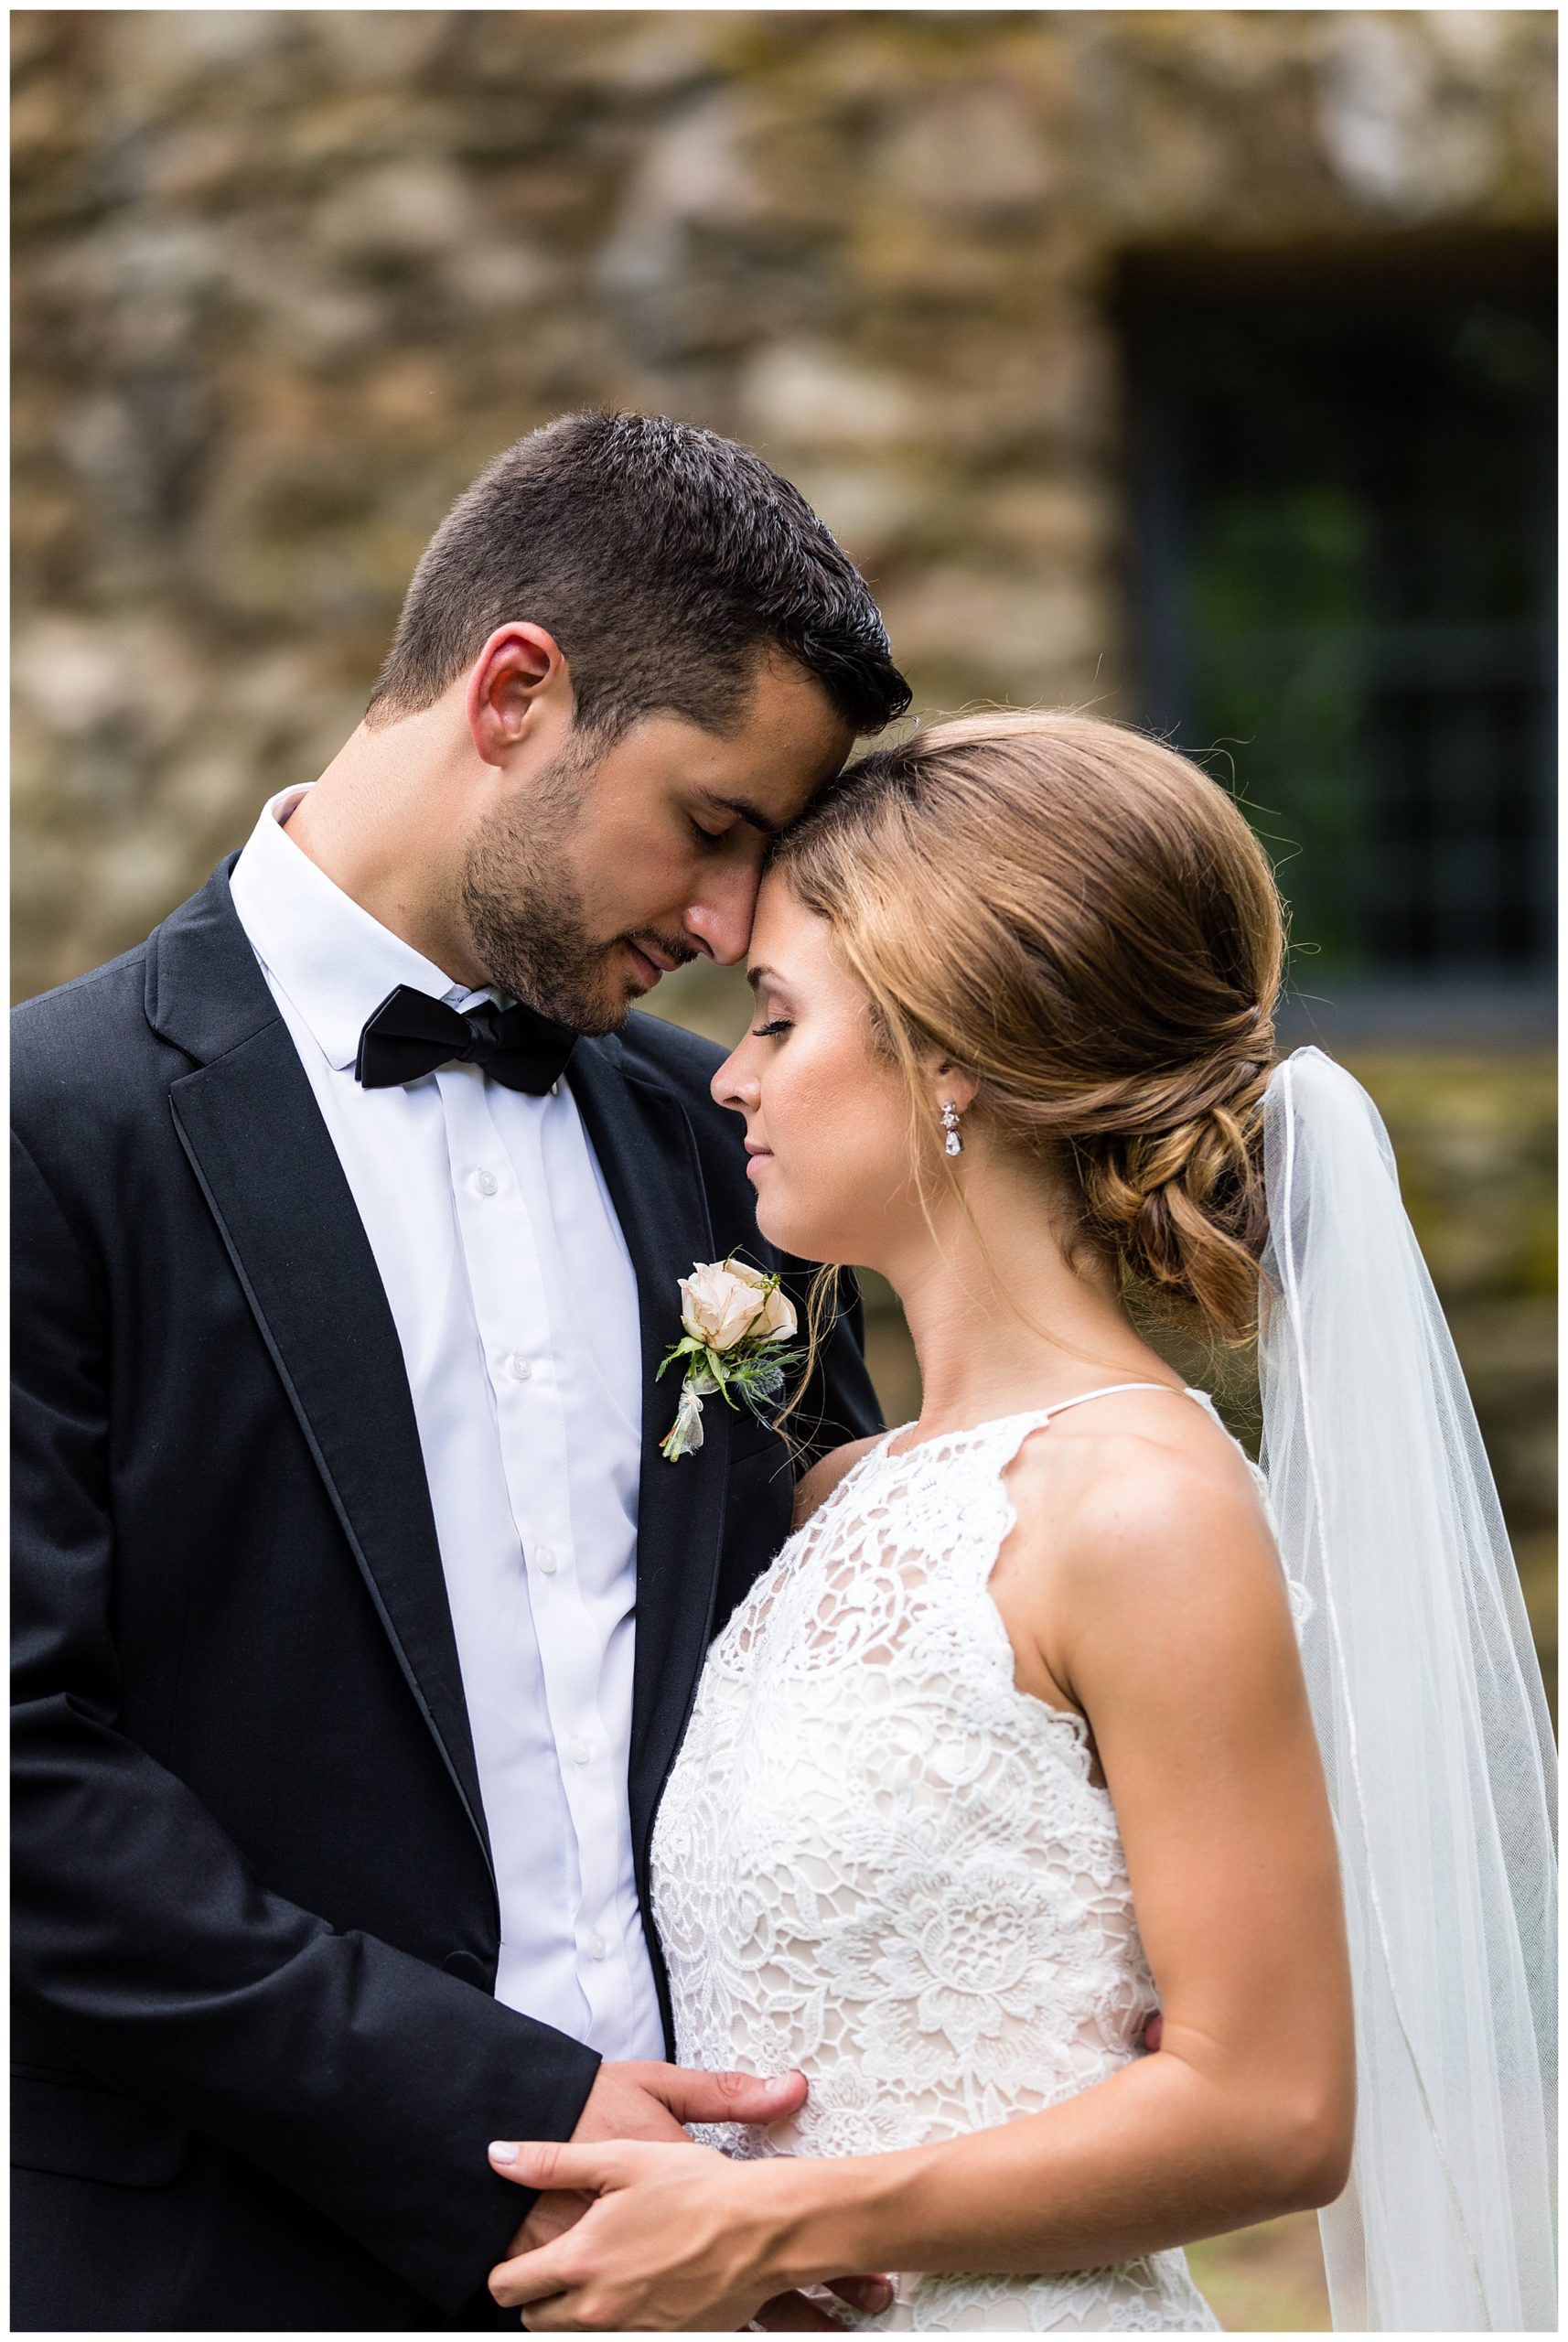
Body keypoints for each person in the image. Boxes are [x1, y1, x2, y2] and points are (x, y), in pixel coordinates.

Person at [483, 712, 1557, 2334]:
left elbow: (1273, 2110)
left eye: (778, 1017)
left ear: (952, 1057)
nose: (730, 1075)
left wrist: (775, 2222)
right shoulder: (841, 1492)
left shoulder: (1138, 1508)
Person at [11, 412, 912, 2331]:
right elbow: (25, 1776)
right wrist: (488, 2110)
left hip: (742, 2253)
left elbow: (869, 1630)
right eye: (716, 824)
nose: (729, 924)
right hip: (227, 2261)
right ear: (516, 693)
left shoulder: (724, 1135)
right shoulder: (46, 1131)